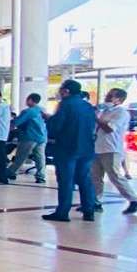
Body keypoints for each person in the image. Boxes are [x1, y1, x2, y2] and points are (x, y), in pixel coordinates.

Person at [43, 80, 97, 222]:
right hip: (87, 148)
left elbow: (56, 126)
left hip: (67, 148)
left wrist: (50, 120)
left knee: (66, 180)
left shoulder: (65, 105)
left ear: (66, 91)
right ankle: (89, 210)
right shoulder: (88, 106)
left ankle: (63, 212)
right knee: (85, 179)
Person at [92, 88, 137, 215]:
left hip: (111, 148)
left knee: (115, 176)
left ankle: (135, 200)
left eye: (111, 96)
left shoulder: (121, 112)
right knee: (95, 177)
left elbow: (110, 128)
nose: (107, 98)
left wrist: (96, 118)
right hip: (97, 147)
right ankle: (94, 202)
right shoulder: (104, 111)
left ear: (119, 100)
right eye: (108, 95)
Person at [8, 93, 47, 183]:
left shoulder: (28, 111)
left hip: (29, 136)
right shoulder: (42, 110)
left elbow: (17, 122)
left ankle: (11, 172)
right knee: (40, 157)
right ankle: (41, 176)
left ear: (30, 100)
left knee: (21, 156)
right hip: (42, 137)